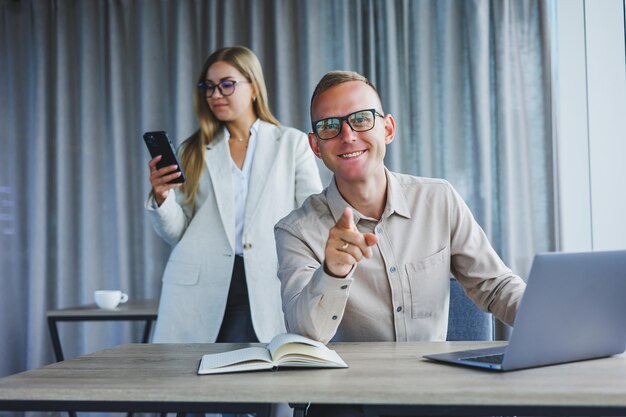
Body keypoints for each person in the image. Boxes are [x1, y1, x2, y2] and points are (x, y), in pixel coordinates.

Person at [274, 70, 526, 416]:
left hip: (435, 391)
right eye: (329, 126)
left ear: (387, 129)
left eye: (361, 119)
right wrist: (332, 272)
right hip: (350, 398)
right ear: (316, 146)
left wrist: (556, 323)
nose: (347, 135)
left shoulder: (439, 199)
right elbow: (305, 335)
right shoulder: (295, 230)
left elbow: (495, 287)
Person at [146, 45, 322, 348]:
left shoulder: (290, 143)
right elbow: (179, 232)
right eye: (209, 87)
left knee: (265, 384)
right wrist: (163, 198)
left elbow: (312, 216)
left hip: (269, 280)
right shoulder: (194, 150)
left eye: (227, 84)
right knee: (199, 384)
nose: (215, 95)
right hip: (203, 286)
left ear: (253, 87)